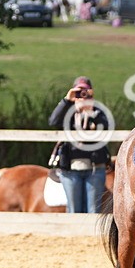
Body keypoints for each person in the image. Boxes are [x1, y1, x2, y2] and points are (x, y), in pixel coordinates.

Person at [49, 76, 112, 212]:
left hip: (95, 168)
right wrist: (67, 100)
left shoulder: (97, 110)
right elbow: (54, 122)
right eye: (79, 91)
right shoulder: (67, 111)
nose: (82, 95)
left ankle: (91, 234)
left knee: (94, 210)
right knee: (73, 209)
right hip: (70, 168)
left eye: (86, 91)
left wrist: (91, 112)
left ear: (91, 92)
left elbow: (106, 127)